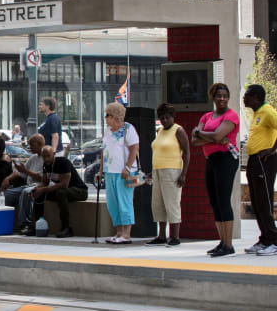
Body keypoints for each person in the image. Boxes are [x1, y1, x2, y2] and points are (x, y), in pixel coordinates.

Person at [191, 83, 240, 257]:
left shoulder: (231, 115)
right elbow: (194, 141)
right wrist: (214, 138)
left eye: (225, 96)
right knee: (214, 201)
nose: (222, 99)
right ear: (213, 97)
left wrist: (201, 133)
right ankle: (222, 242)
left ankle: (229, 244)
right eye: (219, 95)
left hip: (226, 159)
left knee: (223, 199)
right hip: (211, 159)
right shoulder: (206, 116)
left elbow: (216, 135)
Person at [145, 103, 190, 247]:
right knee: (158, 203)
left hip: (172, 170)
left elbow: (187, 152)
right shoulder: (159, 131)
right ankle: (161, 235)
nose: (164, 120)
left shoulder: (179, 130)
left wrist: (183, 174)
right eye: (161, 118)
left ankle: (175, 236)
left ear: (172, 117)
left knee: (172, 202)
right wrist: (152, 171)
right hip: (157, 170)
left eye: (167, 117)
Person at [242, 84, 277, 256]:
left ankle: (273, 241)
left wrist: (272, 149)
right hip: (254, 160)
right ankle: (264, 238)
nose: (244, 98)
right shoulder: (257, 113)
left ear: (256, 97)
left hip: (265, 160)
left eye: (247, 95)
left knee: (264, 200)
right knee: (256, 202)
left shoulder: (268, 111)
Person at [99, 102, 140, 244]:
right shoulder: (107, 131)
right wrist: (101, 170)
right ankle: (118, 233)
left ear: (115, 116)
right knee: (113, 203)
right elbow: (104, 152)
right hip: (110, 171)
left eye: (107, 115)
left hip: (125, 172)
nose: (105, 118)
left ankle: (126, 234)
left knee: (125, 202)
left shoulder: (129, 129)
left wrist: (128, 167)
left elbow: (135, 148)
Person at [32, 145, 88, 237]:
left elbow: (64, 184)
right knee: (40, 195)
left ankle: (66, 228)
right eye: (44, 156)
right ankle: (36, 226)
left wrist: (43, 189)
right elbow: (45, 183)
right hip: (63, 191)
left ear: (54, 154)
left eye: (48, 156)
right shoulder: (46, 165)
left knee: (61, 193)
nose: (46, 159)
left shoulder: (63, 162)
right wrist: (37, 189)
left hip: (79, 191)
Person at [2, 134, 45, 234]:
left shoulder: (46, 157)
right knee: (9, 193)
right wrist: (7, 179)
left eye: (32, 145)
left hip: (38, 185)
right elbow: (21, 172)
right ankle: (9, 223)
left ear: (40, 144)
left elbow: (42, 177)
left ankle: (25, 224)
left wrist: (26, 171)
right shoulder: (33, 158)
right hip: (28, 185)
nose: (30, 147)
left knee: (26, 192)